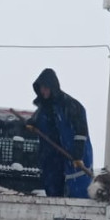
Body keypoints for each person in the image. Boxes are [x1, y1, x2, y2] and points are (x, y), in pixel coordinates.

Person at [31, 68, 93, 198]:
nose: (43, 91)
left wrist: (78, 154)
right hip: (53, 157)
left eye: (45, 87)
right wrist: (30, 123)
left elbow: (81, 131)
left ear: (52, 86)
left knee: (78, 190)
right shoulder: (44, 108)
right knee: (53, 190)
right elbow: (38, 121)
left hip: (73, 156)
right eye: (41, 88)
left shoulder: (70, 105)